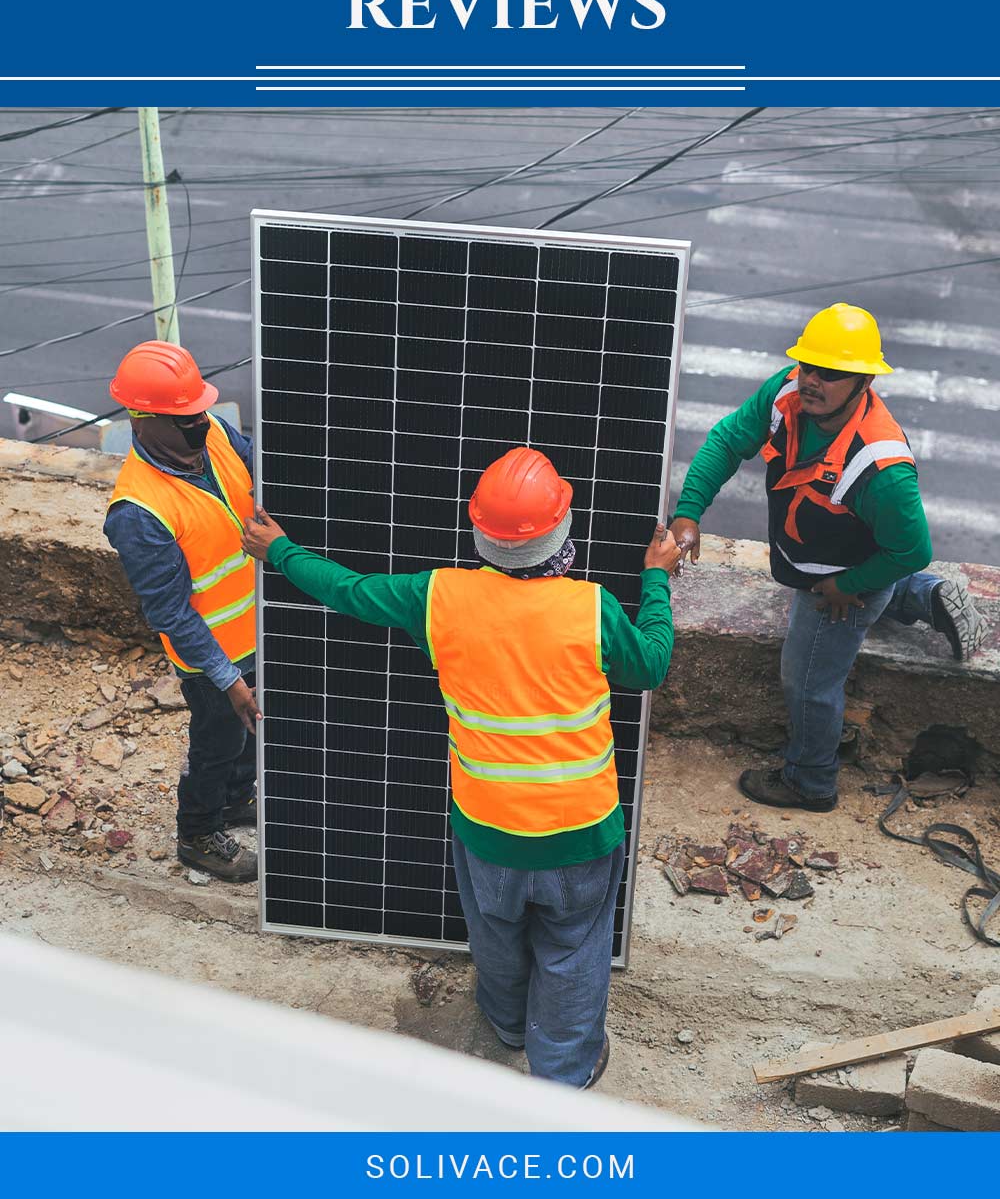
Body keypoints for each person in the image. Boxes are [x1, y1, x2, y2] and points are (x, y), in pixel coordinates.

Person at [241, 446, 681, 1089]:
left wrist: (279, 550)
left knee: (497, 934)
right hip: (580, 832)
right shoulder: (592, 608)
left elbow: (350, 592)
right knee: (573, 950)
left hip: (486, 829)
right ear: (562, 531)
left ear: (480, 532)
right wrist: (657, 577)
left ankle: (505, 1025)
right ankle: (564, 1070)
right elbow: (651, 664)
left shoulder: (440, 596)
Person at [670, 302, 985, 814]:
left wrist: (850, 585)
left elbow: (912, 548)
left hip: (839, 580)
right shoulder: (788, 391)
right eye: (808, 366)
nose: (812, 380)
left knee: (810, 679)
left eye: (831, 373)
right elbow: (728, 441)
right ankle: (924, 597)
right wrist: (689, 512)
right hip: (817, 556)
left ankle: (810, 781)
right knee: (869, 598)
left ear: (863, 380)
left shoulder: (880, 465)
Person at [103, 341, 260, 883]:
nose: (200, 424)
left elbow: (253, 464)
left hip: (254, 631)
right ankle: (197, 835)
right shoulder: (139, 512)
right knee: (217, 742)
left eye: (199, 412)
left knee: (246, 736)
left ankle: (238, 801)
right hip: (210, 655)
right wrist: (227, 678)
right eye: (185, 419)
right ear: (141, 421)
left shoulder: (211, 431)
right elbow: (170, 612)